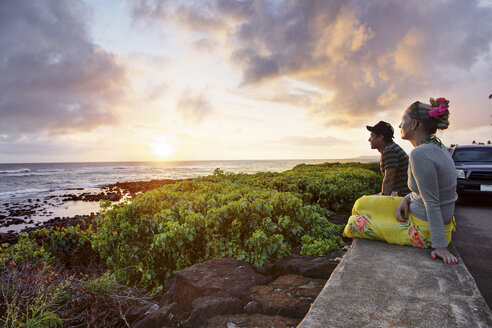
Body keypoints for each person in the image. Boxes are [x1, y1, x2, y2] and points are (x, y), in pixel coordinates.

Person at [344, 97, 458, 265]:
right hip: (419, 212)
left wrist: (440, 246)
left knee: (354, 223)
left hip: (424, 228)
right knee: (361, 204)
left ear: (414, 124)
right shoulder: (437, 146)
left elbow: (433, 202)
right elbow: (423, 191)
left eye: (403, 120)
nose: (399, 125)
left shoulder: (420, 154)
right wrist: (406, 199)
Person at [367, 121, 410, 196]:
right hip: (400, 194)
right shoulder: (389, 149)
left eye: (372, 136)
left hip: (404, 196)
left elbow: (389, 180)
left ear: (380, 137)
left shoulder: (390, 150)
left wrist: (382, 201)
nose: (369, 139)